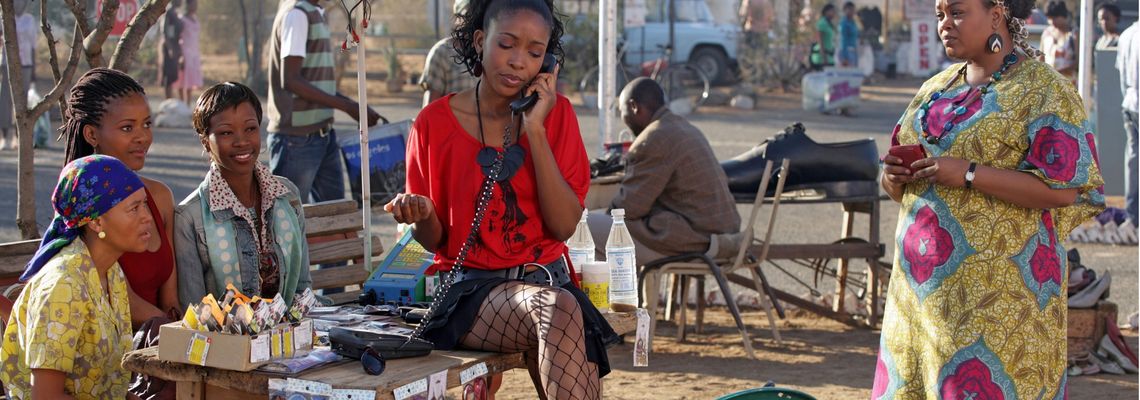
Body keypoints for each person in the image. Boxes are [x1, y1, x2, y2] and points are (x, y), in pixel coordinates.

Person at [384, 0, 618, 397]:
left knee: (560, 311)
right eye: (506, 45)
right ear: (480, 40)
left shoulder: (556, 115)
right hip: (473, 295)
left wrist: (535, 128)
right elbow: (434, 241)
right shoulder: (432, 124)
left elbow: (563, 226)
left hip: (551, 284)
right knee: (559, 311)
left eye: (534, 52)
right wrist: (421, 213)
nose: (518, 62)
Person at [873, 0, 1104, 396]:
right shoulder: (936, 88)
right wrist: (893, 177)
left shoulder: (1043, 89)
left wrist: (967, 173)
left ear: (996, 14)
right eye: (940, 15)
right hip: (919, 298)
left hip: (999, 302)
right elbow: (897, 188)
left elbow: (1064, 189)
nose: (946, 24)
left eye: (958, 12)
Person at [1, 155, 151, 399]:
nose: (147, 217)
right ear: (96, 223)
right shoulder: (64, 285)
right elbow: (46, 397)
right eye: (134, 208)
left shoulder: (110, 271)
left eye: (144, 204)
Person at [54, 68, 180, 327]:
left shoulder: (160, 197)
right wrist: (179, 331)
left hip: (164, 343)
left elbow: (170, 300)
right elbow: (119, 296)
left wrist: (183, 330)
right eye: (127, 127)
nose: (143, 137)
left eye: (147, 124)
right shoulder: (82, 206)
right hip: (109, 353)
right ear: (92, 135)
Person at [176, 82, 312, 307]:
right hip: (228, 341)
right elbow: (196, 311)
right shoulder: (190, 216)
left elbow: (302, 287)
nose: (241, 141)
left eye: (250, 129)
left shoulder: (287, 196)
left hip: (288, 335)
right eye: (226, 133)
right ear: (205, 142)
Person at [587, 77, 742, 265]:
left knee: (580, 228)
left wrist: (608, 212)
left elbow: (626, 209)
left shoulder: (654, 137)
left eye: (622, 112)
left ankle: (607, 294)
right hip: (723, 235)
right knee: (610, 232)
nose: (624, 120)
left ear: (634, 106)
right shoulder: (686, 128)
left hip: (696, 241)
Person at [267, 0, 382, 204]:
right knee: (288, 218)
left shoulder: (316, 13)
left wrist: (355, 107)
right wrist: (346, 106)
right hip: (297, 139)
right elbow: (291, 80)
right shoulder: (297, 15)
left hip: (322, 134)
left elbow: (315, 82)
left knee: (334, 215)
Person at [420, 0, 480, 107]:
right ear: (457, 18)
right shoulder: (442, 52)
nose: (472, 21)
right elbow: (430, 108)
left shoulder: (489, 52)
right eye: (467, 15)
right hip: (451, 122)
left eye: (477, 16)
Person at [0, 0, 37, 151]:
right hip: (7, 64)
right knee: (5, 101)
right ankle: (4, 136)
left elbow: (33, 46)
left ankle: (19, 136)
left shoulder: (29, 20)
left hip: (25, 64)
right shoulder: (4, 18)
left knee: (22, 102)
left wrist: (34, 70)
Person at [1119, 22, 1138, 229]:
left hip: (1129, 102)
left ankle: (1132, 215)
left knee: (1133, 160)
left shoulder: (1126, 34)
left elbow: (1122, 75)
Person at [176, 0, 203, 105]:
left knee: (190, 81)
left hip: (194, 53)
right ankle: (181, 103)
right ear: (188, 5)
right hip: (184, 52)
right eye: (193, 4)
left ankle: (187, 105)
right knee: (182, 80)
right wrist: (180, 55)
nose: (195, 7)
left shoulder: (195, 19)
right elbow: (178, 37)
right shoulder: (182, 19)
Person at [1042, 0, 1076, 79]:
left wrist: (1057, 72)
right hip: (1049, 81)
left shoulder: (1073, 34)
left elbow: (1077, 62)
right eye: (1050, 18)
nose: (1052, 22)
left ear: (1063, 16)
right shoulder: (1046, 33)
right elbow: (1041, 57)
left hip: (1068, 81)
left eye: (1055, 18)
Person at [157, 0, 183, 101]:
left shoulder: (176, 13)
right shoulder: (168, 12)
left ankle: (170, 99)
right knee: (167, 75)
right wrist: (170, 48)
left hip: (175, 46)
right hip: (168, 47)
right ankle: (167, 100)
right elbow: (164, 32)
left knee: (172, 74)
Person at [810, 3, 837, 70]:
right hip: (821, 58)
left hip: (829, 57)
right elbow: (820, 41)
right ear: (826, 12)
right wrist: (824, 58)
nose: (834, 13)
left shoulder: (829, 24)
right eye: (832, 11)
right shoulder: (822, 23)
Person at [838, 2, 860, 67]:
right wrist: (844, 57)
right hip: (846, 52)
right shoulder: (844, 23)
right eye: (850, 9)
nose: (852, 11)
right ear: (844, 10)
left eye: (853, 9)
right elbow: (843, 40)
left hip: (854, 51)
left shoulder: (853, 23)